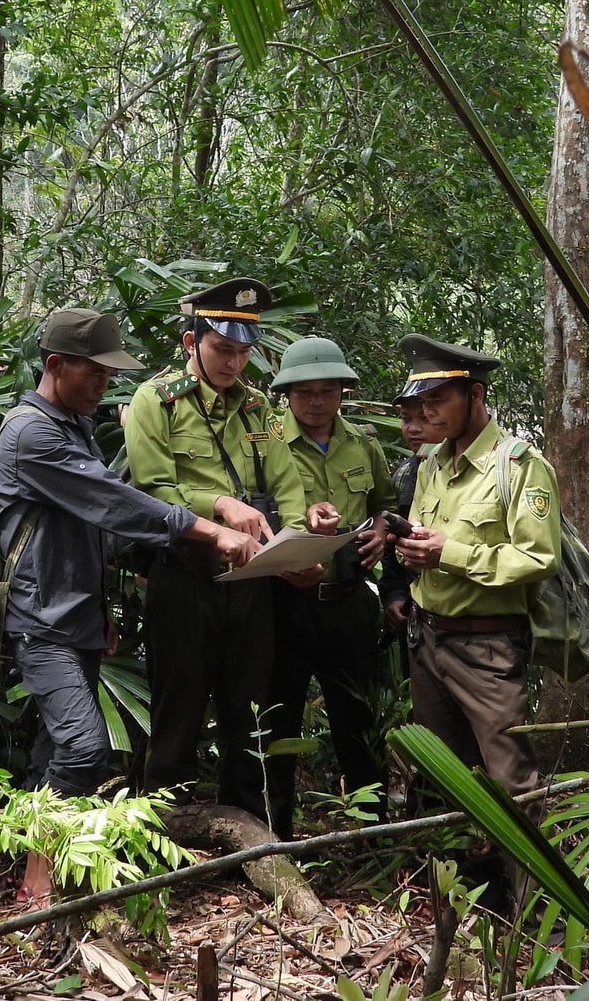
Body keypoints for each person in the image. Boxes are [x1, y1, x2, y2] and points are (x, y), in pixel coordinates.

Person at [0, 307, 260, 904]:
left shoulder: (74, 426)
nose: (104, 384)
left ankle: (29, 873)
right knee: (82, 748)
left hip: (77, 618)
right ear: (55, 365)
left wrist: (103, 611)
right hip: (42, 622)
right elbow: (114, 502)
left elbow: (86, 533)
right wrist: (209, 529)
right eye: (94, 372)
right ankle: (38, 886)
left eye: (110, 374)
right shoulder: (31, 434)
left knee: (52, 751)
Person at [123, 277, 328, 818]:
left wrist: (297, 544)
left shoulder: (256, 407)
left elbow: (286, 485)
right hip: (185, 578)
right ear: (192, 342)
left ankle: (251, 831)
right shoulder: (156, 401)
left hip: (254, 579)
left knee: (250, 710)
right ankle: (167, 831)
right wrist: (218, 505)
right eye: (222, 349)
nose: (234, 363)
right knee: (179, 710)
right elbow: (151, 492)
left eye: (243, 352)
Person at [391, 334, 559, 798]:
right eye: (422, 403)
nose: (428, 413)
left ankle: (526, 851)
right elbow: (423, 536)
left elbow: (539, 557)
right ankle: (449, 849)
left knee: (510, 781)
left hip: (485, 646)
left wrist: (448, 554)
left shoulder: (519, 466)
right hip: (426, 640)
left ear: (476, 395)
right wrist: (410, 547)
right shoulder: (432, 463)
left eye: (438, 401)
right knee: (441, 775)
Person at [264, 336, 395, 839]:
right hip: (286, 603)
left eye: (327, 392)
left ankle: (371, 832)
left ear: (342, 391)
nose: (316, 402)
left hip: (349, 602)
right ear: (287, 395)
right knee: (279, 720)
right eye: (304, 393)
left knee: (357, 720)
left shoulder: (362, 442)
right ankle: (274, 836)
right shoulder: (267, 441)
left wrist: (381, 529)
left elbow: (385, 503)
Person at [376, 392, 435, 635]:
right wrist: (394, 595)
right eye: (406, 418)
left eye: (424, 418)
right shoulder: (405, 474)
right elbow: (390, 543)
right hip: (414, 612)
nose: (413, 428)